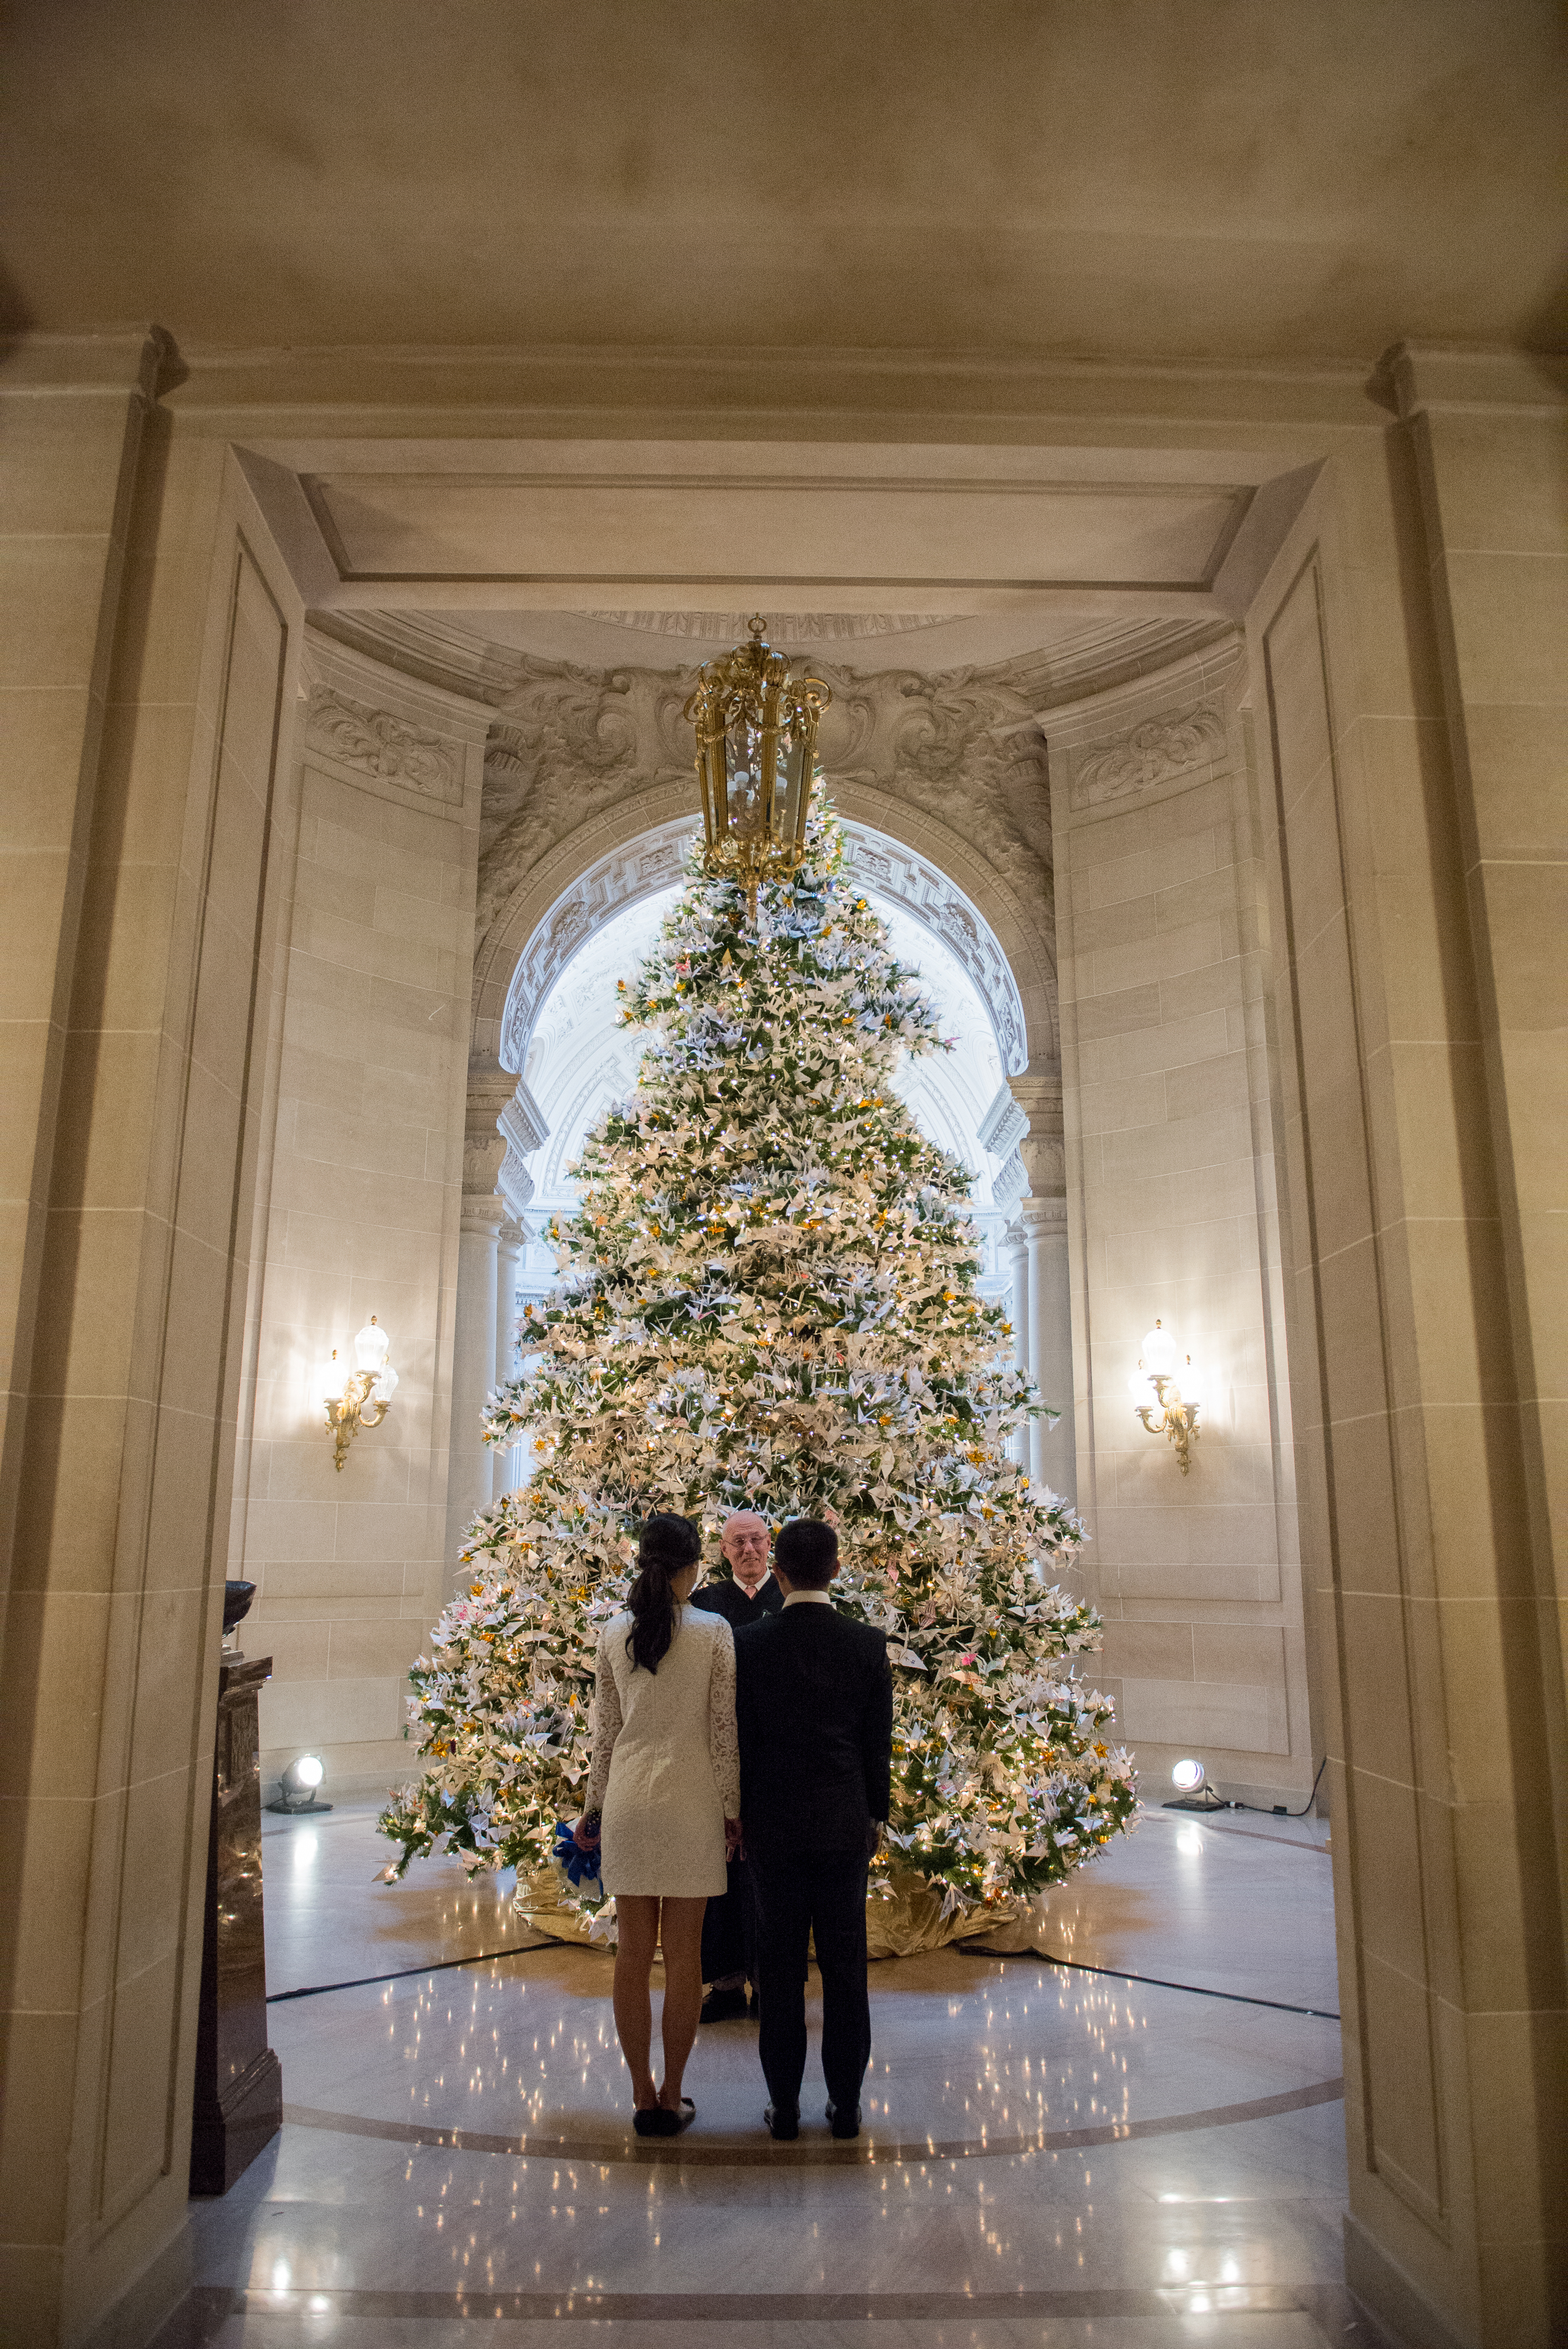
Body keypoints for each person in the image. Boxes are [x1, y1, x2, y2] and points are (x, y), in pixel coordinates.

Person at [573, 1512, 741, 2138]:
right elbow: (722, 1732)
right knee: (686, 1959)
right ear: (693, 1567)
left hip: (627, 1803)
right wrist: (733, 1810)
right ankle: (673, 2091)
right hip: (691, 1800)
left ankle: (640, 2092)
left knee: (632, 1957)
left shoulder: (614, 1631)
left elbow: (606, 1735)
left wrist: (592, 1808)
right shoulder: (713, 1631)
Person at [733, 1517, 894, 2142]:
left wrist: (740, 1812)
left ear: (778, 1571)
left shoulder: (748, 1643)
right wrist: (874, 1813)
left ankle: (785, 2109)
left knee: (777, 1971)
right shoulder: (865, 1642)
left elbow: (739, 1739)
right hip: (842, 1823)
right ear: (835, 1568)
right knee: (845, 1969)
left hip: (771, 1827)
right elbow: (874, 1742)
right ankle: (847, 2107)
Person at [690, 1509, 782, 2020]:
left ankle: (772, 1979)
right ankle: (725, 1983)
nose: (749, 1550)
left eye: (756, 1540)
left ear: (770, 1546)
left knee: (769, 1875)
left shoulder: (787, 1601)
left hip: (772, 1759)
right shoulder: (705, 1605)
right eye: (737, 1542)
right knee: (721, 1874)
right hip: (716, 1756)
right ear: (723, 1551)